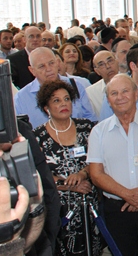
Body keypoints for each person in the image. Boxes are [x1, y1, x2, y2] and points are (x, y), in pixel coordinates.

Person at [88, 74, 138, 256]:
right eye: (114, 93)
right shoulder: (98, 132)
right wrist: (128, 195)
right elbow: (96, 174)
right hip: (117, 210)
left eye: (125, 91)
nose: (120, 97)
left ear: (136, 94)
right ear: (108, 101)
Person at [33, 80, 102, 256]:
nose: (64, 103)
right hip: (58, 209)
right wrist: (68, 185)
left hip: (90, 205)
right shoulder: (38, 137)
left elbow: (99, 160)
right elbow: (38, 174)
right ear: (46, 108)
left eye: (67, 99)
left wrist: (83, 174)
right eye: (56, 101)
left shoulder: (87, 127)